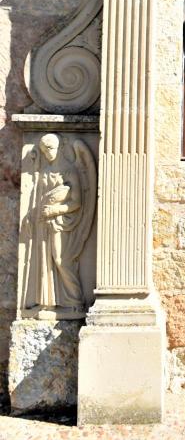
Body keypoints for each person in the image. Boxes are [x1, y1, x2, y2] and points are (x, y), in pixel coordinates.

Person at [22, 133, 96, 318]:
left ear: (60, 147)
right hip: (44, 223)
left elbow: (76, 203)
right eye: (44, 150)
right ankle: (48, 304)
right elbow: (40, 198)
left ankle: (76, 301)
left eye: (50, 148)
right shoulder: (45, 171)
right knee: (44, 261)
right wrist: (32, 214)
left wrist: (54, 210)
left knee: (61, 259)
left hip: (61, 223)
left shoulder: (70, 170)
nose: (47, 153)